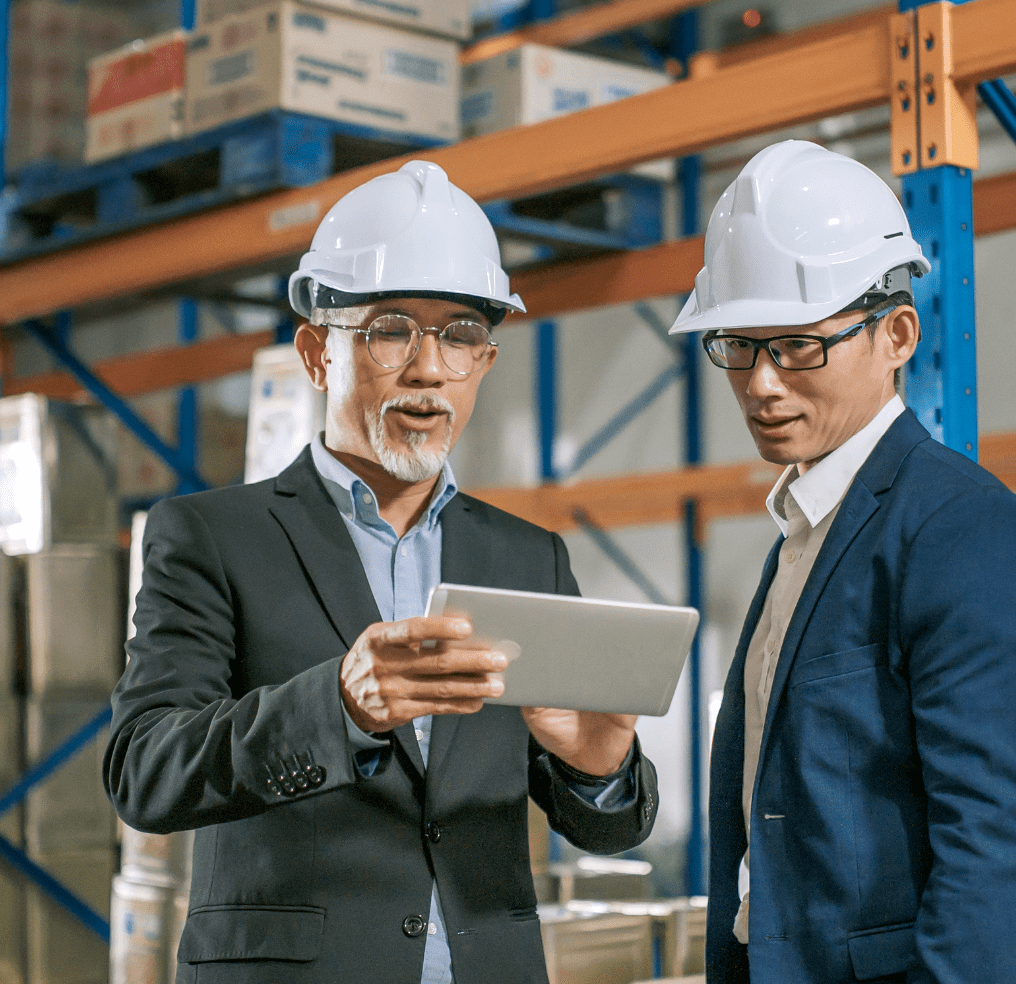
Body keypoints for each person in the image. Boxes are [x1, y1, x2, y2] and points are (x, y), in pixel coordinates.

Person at [106, 159, 658, 984]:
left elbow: (608, 828)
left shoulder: (527, 557)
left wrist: (598, 766)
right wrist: (337, 705)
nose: (429, 368)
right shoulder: (212, 537)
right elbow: (144, 769)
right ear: (316, 352)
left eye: (461, 335)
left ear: (485, 362)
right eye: (391, 329)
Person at [671, 140, 1016, 984]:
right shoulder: (805, 533)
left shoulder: (966, 535)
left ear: (896, 334)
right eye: (738, 345)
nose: (762, 384)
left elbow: (991, 858)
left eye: (797, 345)